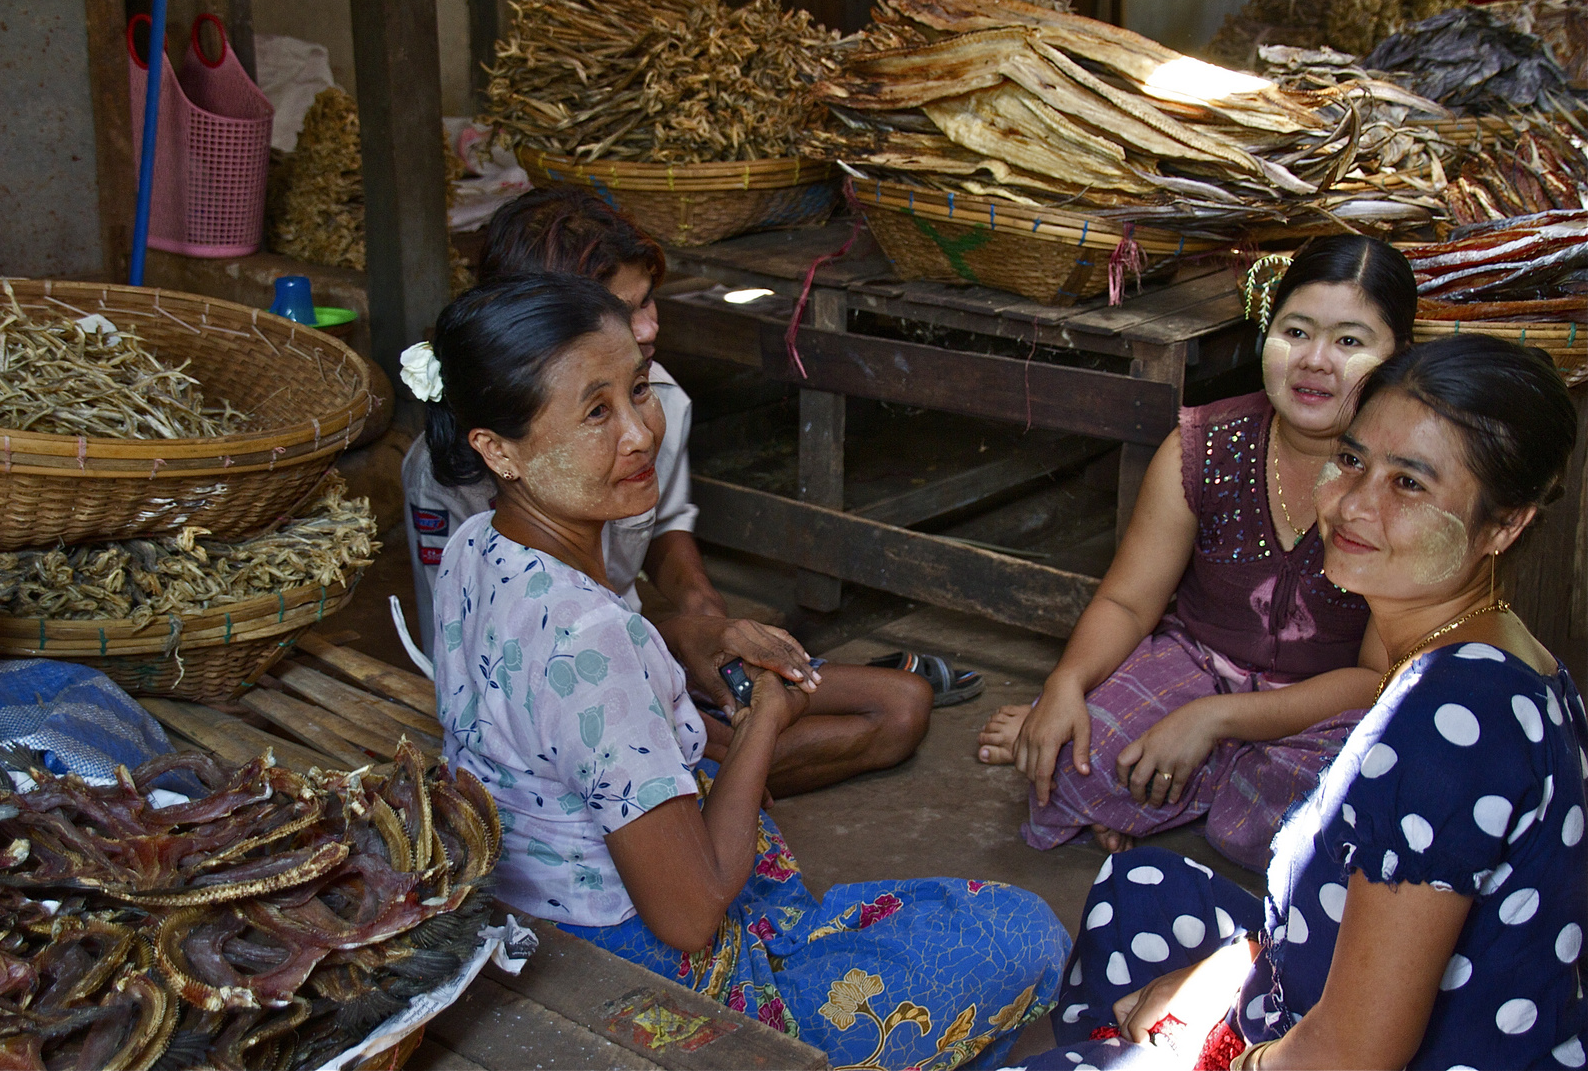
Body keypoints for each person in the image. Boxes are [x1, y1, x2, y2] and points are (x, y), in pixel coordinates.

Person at [423, 273, 1071, 1069]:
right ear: (497, 448)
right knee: (1025, 934)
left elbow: (545, 675)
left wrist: (692, 637)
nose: (639, 432)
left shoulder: (477, 547)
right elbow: (690, 920)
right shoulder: (592, 641)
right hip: (635, 965)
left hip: (538, 911)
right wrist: (766, 717)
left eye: (638, 390)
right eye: (596, 411)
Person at [1024, 334, 1583, 1070]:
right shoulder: (1494, 656)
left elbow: (1348, 1056)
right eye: (1350, 461)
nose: (1352, 504)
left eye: (1407, 485)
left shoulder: (1454, 723)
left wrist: (1219, 1048)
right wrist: (1231, 968)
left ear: (1503, 525)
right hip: (1340, 997)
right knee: (1139, 887)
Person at [403, 187, 964, 799]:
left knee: (902, 706)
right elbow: (502, 658)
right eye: (623, 309)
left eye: (649, 302)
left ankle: (713, 764)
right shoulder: (454, 480)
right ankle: (703, 775)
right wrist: (675, 659)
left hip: (639, 647)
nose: (648, 328)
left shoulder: (652, 402)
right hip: (562, 690)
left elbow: (663, 528)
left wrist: (704, 620)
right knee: (745, 741)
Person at [978, 235, 1418, 868]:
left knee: (1335, 811)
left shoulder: (1400, 485)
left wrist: (1214, 721)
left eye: (1350, 342)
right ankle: (1180, 782)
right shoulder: (1203, 447)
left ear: (1397, 357)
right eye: (1296, 331)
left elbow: (1376, 678)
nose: (1315, 360)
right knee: (1075, 761)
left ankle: (1180, 787)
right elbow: (1129, 602)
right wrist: (1066, 684)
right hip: (1197, 662)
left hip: (1321, 703)